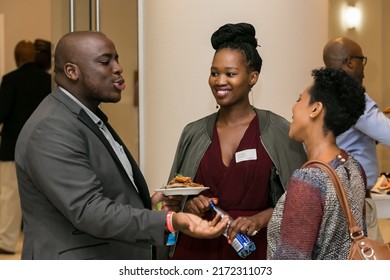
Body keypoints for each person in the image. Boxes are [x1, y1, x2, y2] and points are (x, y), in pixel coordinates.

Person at [14, 31, 229, 260]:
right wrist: (170, 221)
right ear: (71, 71)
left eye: (116, 59)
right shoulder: (51, 127)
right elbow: (88, 209)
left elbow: (107, 193)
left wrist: (149, 205)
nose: (118, 68)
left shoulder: (86, 118)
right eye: (106, 62)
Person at [167, 22, 307, 260]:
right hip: (195, 250)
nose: (219, 81)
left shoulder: (278, 130)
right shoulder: (193, 132)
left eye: (230, 74)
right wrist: (188, 205)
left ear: (253, 78)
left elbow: (301, 202)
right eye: (214, 73)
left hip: (251, 250)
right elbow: (171, 198)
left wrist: (259, 219)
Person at [267, 67, 367, 260]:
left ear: (315, 109)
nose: (293, 108)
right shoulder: (353, 167)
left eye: (299, 100)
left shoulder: (309, 181)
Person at [323, 37, 390, 243]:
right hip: (354, 199)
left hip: (334, 193)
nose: (363, 67)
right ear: (350, 61)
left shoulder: (322, 91)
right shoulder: (352, 96)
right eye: (362, 60)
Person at [0, 40, 51, 254]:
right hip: (42, 147)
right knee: (42, 196)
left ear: (17, 57)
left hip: (12, 146)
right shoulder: (47, 81)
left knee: (9, 194)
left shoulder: (10, 79)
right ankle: (44, 242)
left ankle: (6, 241)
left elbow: (2, 112)